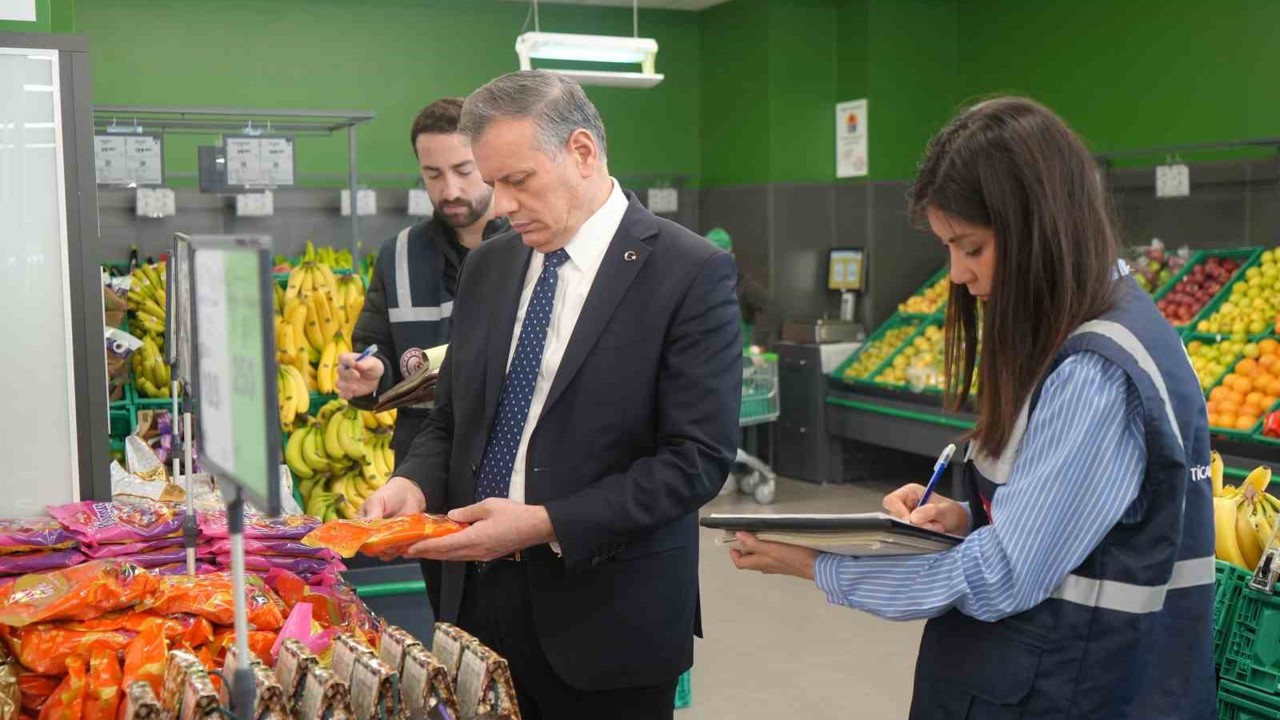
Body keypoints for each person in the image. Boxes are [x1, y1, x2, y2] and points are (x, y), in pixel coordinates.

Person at [729, 98, 1215, 719]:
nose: (957, 274)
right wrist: (965, 516)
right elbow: (1083, 525)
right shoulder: (1094, 326)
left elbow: (1005, 575)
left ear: (1040, 226)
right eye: (949, 249)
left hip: (1076, 691)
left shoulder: (1096, 371)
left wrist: (819, 566)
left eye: (972, 247)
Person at [360, 70, 742, 719]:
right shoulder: (491, 265)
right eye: (493, 182)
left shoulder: (689, 272)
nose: (500, 204)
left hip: (608, 619)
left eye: (519, 180)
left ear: (583, 153)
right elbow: (451, 421)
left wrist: (543, 524)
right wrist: (415, 486)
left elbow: (695, 460)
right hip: (475, 611)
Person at [336, 97, 512, 616]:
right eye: (433, 174)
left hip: (506, 466)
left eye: (463, 170)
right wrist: (368, 378)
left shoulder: (531, 245)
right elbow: (377, 350)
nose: (450, 190)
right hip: (427, 469)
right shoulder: (400, 254)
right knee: (450, 617)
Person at [705, 227, 773, 349]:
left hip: (741, 360)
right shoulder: (700, 288)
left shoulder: (744, 286)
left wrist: (757, 344)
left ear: (732, 257)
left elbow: (768, 309)